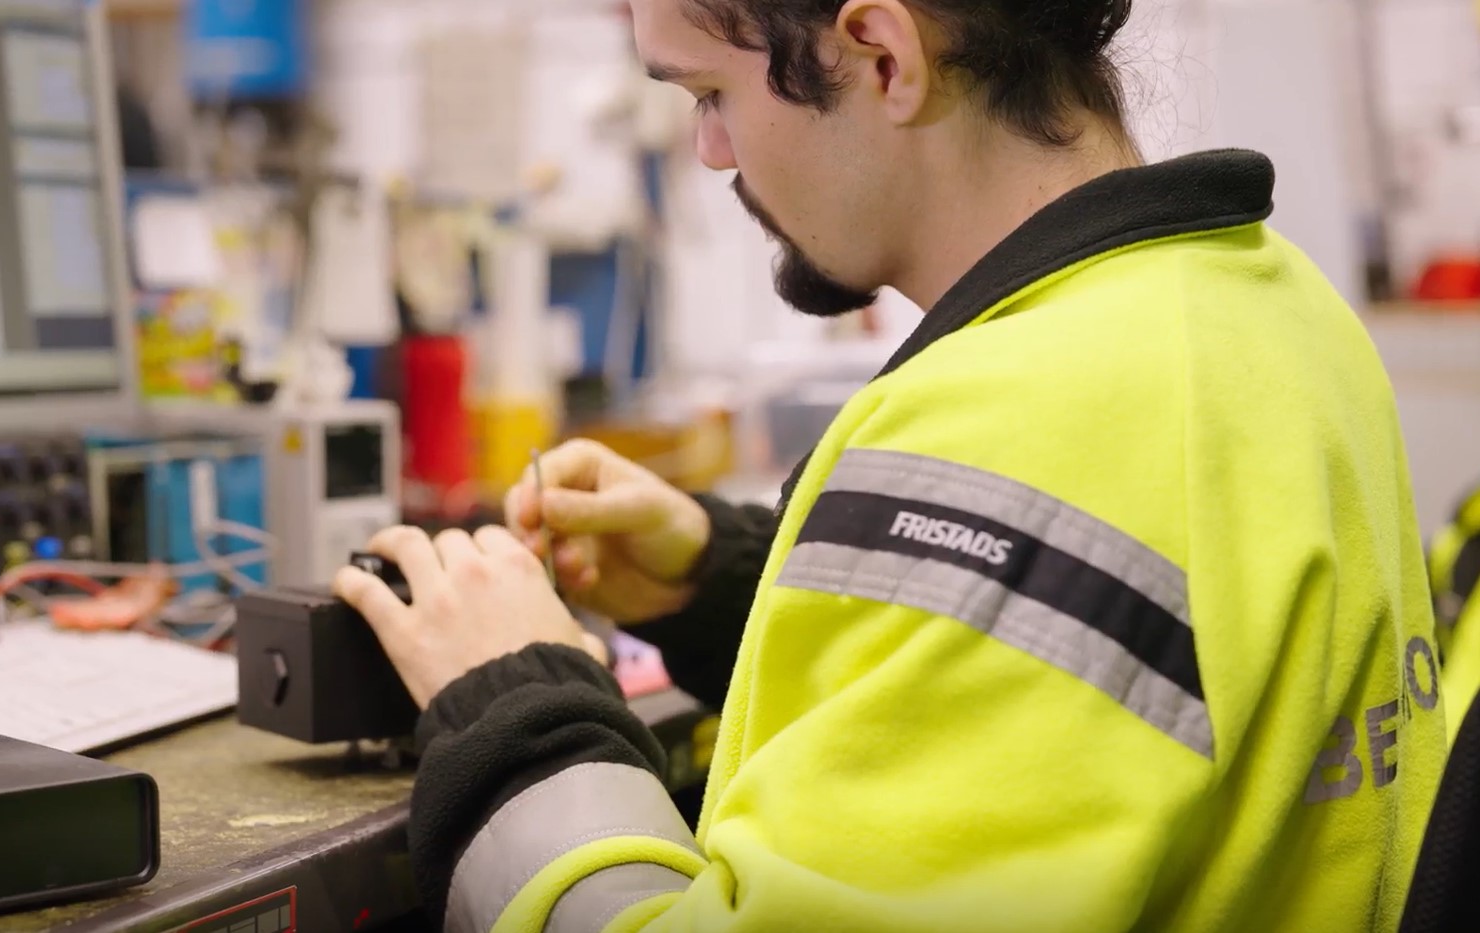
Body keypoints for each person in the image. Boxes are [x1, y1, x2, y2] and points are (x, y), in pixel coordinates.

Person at [332, 0, 1447, 929]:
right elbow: (1105, 695)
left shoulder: (1009, 421)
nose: (709, 149)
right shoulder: (1273, 301)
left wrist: (516, 701)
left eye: (710, 97)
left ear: (878, 52)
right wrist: (719, 582)